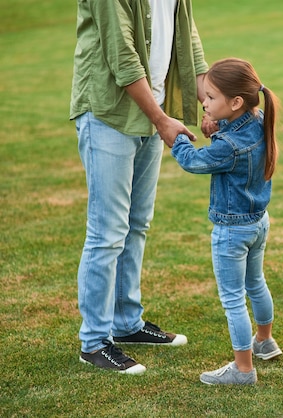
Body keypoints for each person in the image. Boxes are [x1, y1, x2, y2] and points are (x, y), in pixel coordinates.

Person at [70, 0, 210, 374]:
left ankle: (127, 324)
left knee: (136, 223)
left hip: (153, 112)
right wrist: (161, 118)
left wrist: (213, 105)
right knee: (108, 231)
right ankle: (95, 342)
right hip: (109, 113)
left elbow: (188, 40)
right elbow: (122, 55)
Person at [170, 58, 283, 385]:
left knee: (233, 299)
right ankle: (264, 341)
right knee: (256, 283)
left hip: (232, 232)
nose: (204, 103)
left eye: (210, 97)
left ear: (235, 102)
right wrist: (218, 127)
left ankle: (243, 370)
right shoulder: (258, 119)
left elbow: (192, 161)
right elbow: (233, 138)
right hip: (258, 223)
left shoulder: (228, 147)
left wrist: (177, 135)